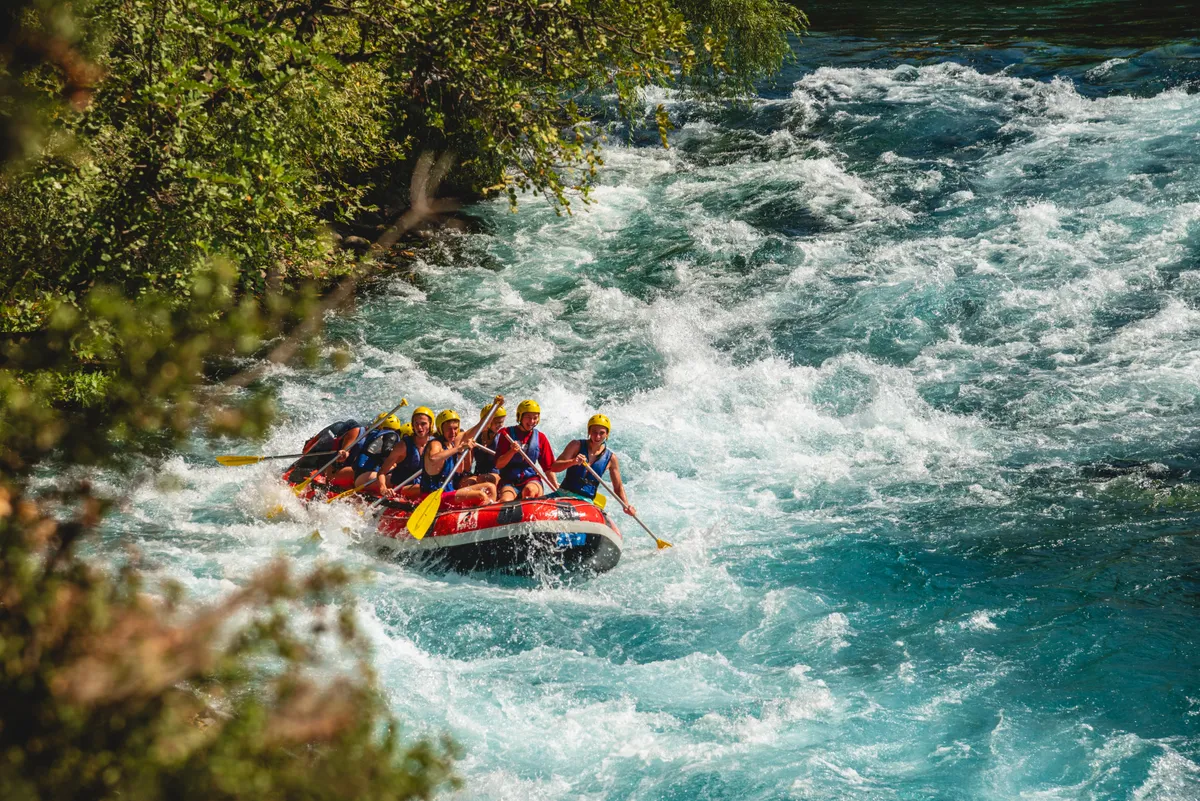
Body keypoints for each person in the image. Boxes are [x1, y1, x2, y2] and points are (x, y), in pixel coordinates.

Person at [418, 399, 503, 508]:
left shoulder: (453, 441)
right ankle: (478, 517)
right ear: (440, 429)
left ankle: (489, 514)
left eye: (455, 428)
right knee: (480, 495)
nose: (452, 432)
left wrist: (495, 407)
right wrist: (458, 448)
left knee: (490, 487)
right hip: (434, 495)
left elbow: (482, 426)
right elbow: (433, 458)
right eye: (449, 429)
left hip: (449, 491)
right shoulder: (435, 444)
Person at [549, 413, 636, 516]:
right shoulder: (576, 445)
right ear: (589, 431)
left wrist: (626, 505)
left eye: (602, 433)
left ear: (607, 434)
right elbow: (554, 467)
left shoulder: (611, 459)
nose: (597, 436)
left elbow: (618, 487)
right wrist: (573, 462)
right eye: (594, 432)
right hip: (563, 494)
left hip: (585, 502)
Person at [494, 399, 557, 503]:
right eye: (528, 417)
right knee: (505, 500)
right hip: (510, 480)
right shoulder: (506, 434)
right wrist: (511, 452)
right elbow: (498, 465)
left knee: (529, 491)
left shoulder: (541, 438)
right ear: (520, 417)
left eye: (535, 418)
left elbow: (549, 468)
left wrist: (556, 488)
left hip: (531, 479)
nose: (532, 421)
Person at [369, 406, 435, 499]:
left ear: (431, 424)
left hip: (423, 486)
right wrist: (383, 488)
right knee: (429, 487)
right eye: (416, 424)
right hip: (402, 488)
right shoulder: (403, 446)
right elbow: (382, 472)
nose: (419, 427)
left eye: (423, 424)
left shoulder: (435, 444)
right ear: (412, 425)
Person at [286, 417, 363, 483]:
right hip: (340, 433)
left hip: (346, 448)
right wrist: (345, 450)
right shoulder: (356, 430)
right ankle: (286, 476)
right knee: (306, 459)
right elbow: (354, 428)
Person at [458, 403, 506, 490]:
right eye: (497, 422)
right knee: (466, 483)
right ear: (488, 422)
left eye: (501, 422)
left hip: (497, 474)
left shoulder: (503, 438)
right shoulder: (475, 437)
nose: (500, 425)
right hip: (478, 473)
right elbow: (468, 466)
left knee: (483, 479)